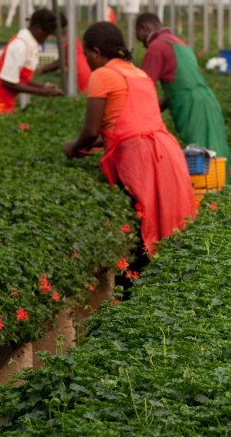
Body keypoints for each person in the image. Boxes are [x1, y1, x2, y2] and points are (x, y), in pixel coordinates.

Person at [62, 21, 197, 263]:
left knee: (142, 219)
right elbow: (130, 126)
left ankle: (137, 287)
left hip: (140, 156)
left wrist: (73, 147)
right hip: (166, 150)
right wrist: (92, 145)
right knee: (168, 220)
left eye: (86, 55)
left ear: (95, 51)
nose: (87, 61)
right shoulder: (139, 73)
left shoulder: (103, 75)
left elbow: (92, 130)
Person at [135, 12, 231, 171]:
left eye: (140, 38)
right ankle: (226, 191)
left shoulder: (156, 46)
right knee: (215, 150)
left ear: (145, 28)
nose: (143, 45)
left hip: (191, 107)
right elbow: (173, 91)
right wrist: (154, 112)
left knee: (202, 158)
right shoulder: (179, 43)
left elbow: (141, 90)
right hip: (206, 101)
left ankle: (212, 195)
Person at [0, 9, 64, 114]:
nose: (46, 39)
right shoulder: (19, 46)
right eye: (46, 34)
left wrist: (43, 86)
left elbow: (19, 78)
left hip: (2, 97)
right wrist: (41, 92)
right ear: (38, 29)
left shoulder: (28, 44)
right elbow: (7, 82)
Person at [34, 13, 92, 93]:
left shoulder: (64, 38)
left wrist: (42, 70)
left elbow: (61, 61)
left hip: (80, 72)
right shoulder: (68, 35)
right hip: (82, 71)